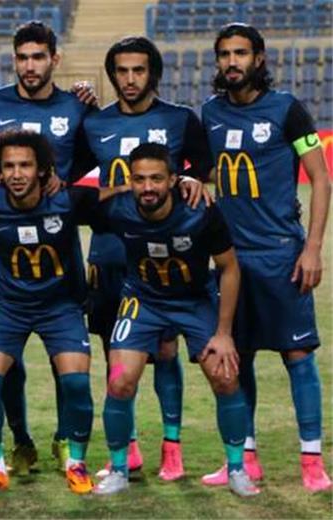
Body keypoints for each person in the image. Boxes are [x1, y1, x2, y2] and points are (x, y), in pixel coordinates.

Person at [200, 23, 331, 492]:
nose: (231, 62)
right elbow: (199, 170)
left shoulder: (287, 109)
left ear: (259, 58)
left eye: (240, 53)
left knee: (298, 355)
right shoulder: (210, 113)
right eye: (224, 54)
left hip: (280, 254)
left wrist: (312, 248)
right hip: (231, 262)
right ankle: (245, 458)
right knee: (238, 357)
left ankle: (312, 462)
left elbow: (321, 179)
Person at [0, 20, 98, 474]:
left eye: (38, 57)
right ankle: (20, 438)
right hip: (5, 253)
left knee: (68, 366)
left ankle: (65, 439)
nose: (29, 66)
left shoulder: (77, 108)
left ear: (54, 59)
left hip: (61, 256)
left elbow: (87, 165)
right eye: (22, 57)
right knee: (5, 362)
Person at [91, 142, 258, 498]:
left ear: (172, 180)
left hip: (194, 300)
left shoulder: (200, 211)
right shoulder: (118, 209)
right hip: (142, 300)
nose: (147, 187)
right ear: (130, 181)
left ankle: (237, 469)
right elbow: (75, 203)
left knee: (226, 377)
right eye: (139, 179)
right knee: (119, 382)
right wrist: (118, 188)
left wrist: (224, 333)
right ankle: (119, 470)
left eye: (156, 178)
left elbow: (229, 268)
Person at [80, 36, 212, 480]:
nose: (130, 79)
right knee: (116, 354)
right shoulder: (95, 123)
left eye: (138, 70)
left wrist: (192, 181)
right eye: (122, 71)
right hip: (109, 254)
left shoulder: (180, 119)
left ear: (153, 73)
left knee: (166, 349)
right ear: (112, 75)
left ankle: (172, 448)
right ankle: (129, 448)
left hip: (162, 259)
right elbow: (70, 183)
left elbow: (205, 173)